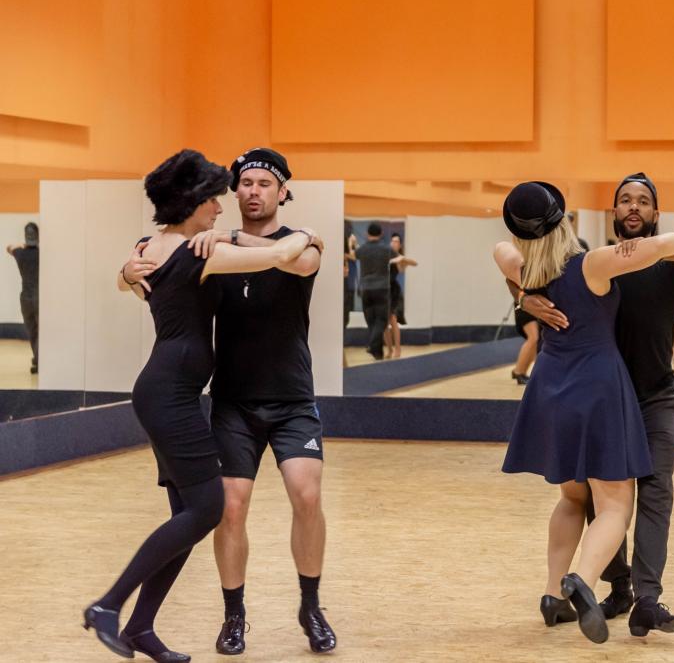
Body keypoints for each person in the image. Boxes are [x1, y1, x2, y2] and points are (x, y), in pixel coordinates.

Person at [88, 149, 314, 661]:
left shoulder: (153, 246)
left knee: (188, 516)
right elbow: (282, 255)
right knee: (209, 508)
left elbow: (131, 280)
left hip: (168, 390)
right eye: (213, 198)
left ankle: (140, 628)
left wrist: (124, 272)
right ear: (192, 202)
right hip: (170, 394)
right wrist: (311, 235)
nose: (220, 206)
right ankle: (108, 605)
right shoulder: (198, 252)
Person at [494, 180, 674, 644]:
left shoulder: (525, 268)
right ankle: (582, 581)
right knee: (615, 504)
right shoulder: (592, 263)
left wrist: (523, 297)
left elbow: (499, 250)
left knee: (572, 497)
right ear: (564, 220)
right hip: (596, 386)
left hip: (549, 386)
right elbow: (663, 246)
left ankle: (552, 594)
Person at [355, 223, 393, 360]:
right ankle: (372, 344)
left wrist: (352, 244)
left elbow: (354, 255)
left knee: (371, 320)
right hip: (382, 288)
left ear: (367, 234)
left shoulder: (362, 250)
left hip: (365, 288)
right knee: (381, 320)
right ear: (381, 233)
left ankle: (378, 353)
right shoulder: (386, 249)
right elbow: (396, 257)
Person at [5, 222, 39, 374]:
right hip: (40, 298)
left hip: (25, 298)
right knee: (41, 331)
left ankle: (38, 358)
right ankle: (39, 359)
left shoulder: (19, 253)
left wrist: (21, 245)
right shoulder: (41, 254)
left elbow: (8, 247)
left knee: (32, 330)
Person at [383, 232, 417, 359]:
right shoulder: (385, 255)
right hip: (383, 290)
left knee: (393, 319)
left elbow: (414, 263)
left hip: (394, 291)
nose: (394, 243)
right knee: (383, 323)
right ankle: (389, 349)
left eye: (396, 241)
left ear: (400, 245)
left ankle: (398, 348)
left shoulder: (400, 258)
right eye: (392, 241)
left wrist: (401, 259)